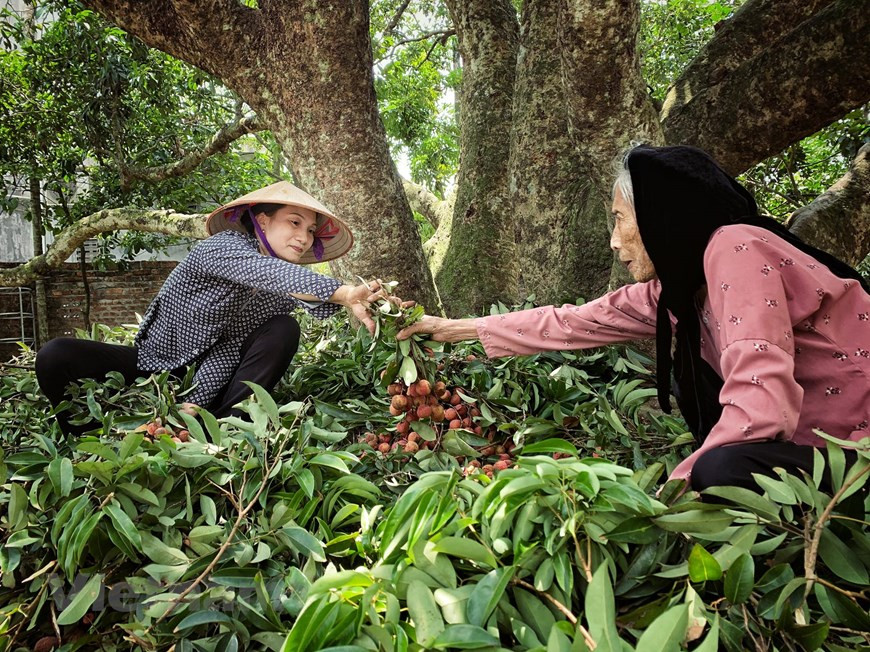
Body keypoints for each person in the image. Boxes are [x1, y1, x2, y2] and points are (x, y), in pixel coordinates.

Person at [398, 145, 870, 493]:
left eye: (620, 219)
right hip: (819, 447)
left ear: (662, 217)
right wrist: (449, 329)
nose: (614, 240)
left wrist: (673, 494)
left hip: (856, 443)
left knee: (716, 474)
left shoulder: (736, 247)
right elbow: (570, 323)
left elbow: (760, 399)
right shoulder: (678, 291)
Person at [37, 181, 390, 435]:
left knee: (283, 327)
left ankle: (226, 424)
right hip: (154, 365)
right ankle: (89, 434)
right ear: (263, 221)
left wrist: (196, 405)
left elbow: (230, 348)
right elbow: (262, 270)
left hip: (212, 375)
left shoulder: (280, 290)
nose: (305, 237)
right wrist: (343, 292)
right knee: (57, 354)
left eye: (311, 230)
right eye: (294, 223)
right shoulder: (223, 246)